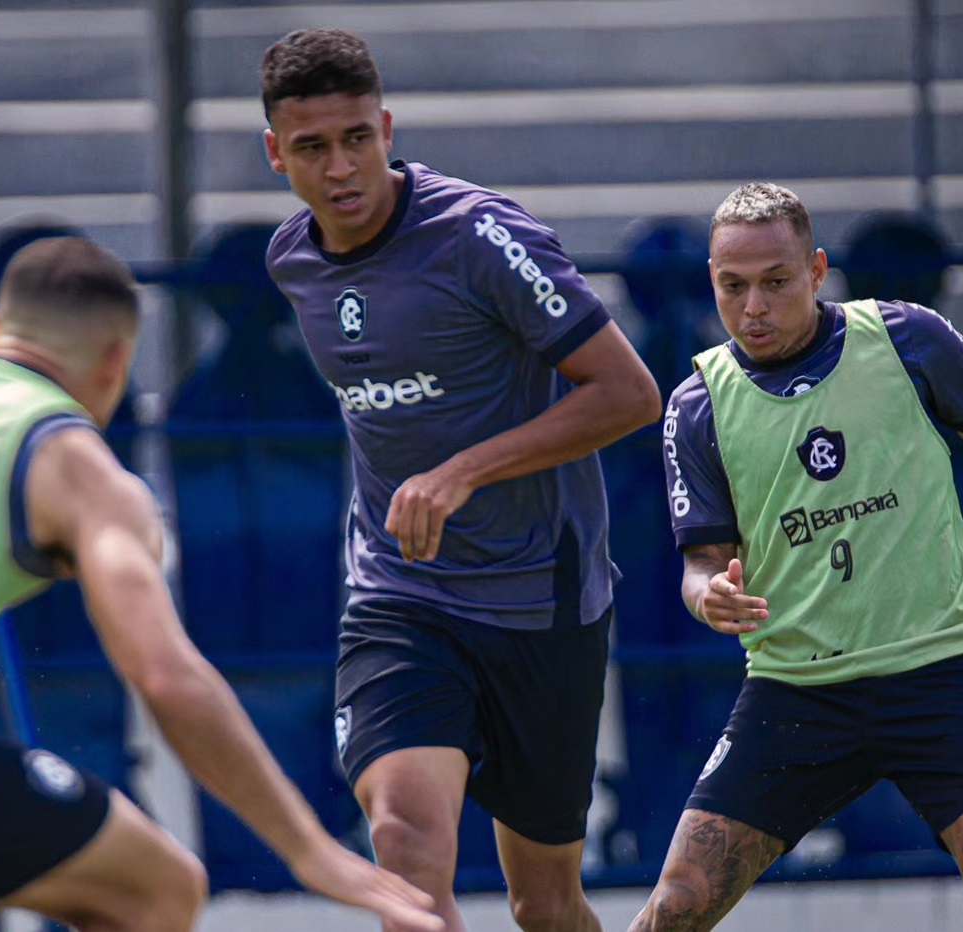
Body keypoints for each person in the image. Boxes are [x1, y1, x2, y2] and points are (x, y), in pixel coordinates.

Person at [0, 236, 445, 932]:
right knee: (156, 888)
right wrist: (307, 848)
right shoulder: (78, 464)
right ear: (118, 364)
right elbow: (165, 675)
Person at [259, 28, 661, 932]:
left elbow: (629, 394)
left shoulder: (480, 236)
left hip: (540, 601)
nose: (342, 168)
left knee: (544, 903)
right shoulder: (292, 260)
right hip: (400, 594)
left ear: (388, 128)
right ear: (276, 153)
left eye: (358, 138)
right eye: (314, 148)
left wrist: (463, 471)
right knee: (403, 839)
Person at [635, 182, 963, 931]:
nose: (752, 307)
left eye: (775, 283)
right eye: (731, 287)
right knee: (676, 904)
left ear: (815, 270)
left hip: (934, 668)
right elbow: (700, 564)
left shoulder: (910, 340)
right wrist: (708, 594)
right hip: (797, 690)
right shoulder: (697, 405)